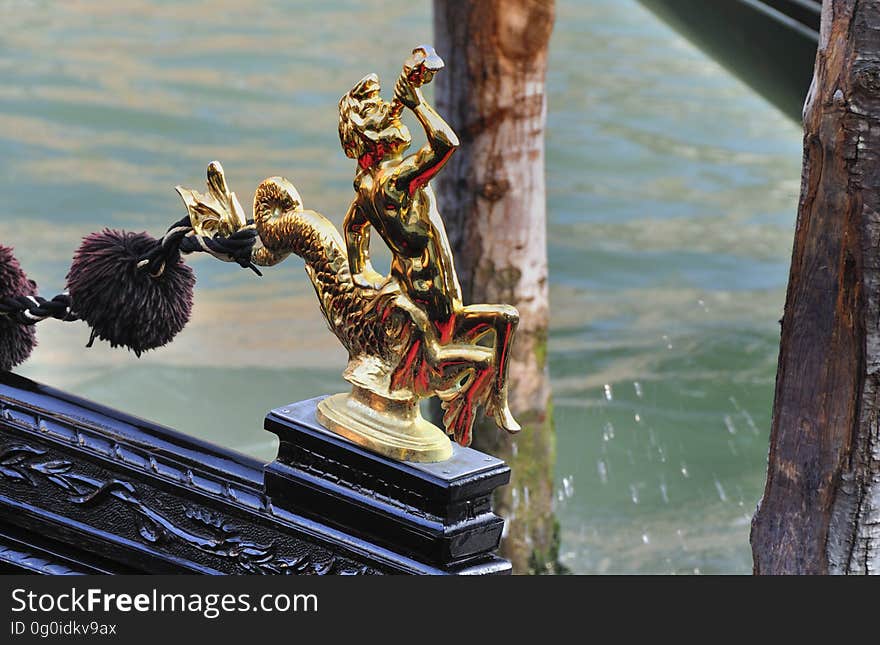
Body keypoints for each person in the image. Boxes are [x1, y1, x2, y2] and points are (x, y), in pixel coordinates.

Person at [337, 48, 520, 436]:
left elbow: (353, 227)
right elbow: (445, 144)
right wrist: (417, 103)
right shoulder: (392, 182)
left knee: (506, 319)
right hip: (429, 305)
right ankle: (468, 407)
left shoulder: (369, 186)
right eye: (377, 112)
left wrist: (361, 271)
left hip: (439, 295)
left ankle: (493, 400)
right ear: (369, 139)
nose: (389, 110)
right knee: (485, 356)